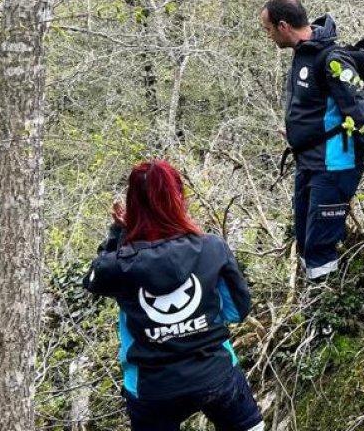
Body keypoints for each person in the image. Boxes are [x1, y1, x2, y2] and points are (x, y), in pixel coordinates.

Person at [83, 160, 262, 431]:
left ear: (133, 204)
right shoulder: (212, 248)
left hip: (152, 387)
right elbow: (237, 310)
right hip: (215, 372)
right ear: (179, 198)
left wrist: (119, 233)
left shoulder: (117, 265)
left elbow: (93, 280)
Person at [260, 0, 364, 282]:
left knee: (319, 246)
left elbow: (361, 111)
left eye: (267, 30)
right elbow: (315, 108)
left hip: (334, 166)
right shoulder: (302, 53)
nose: (267, 36)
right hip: (309, 161)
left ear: (283, 26)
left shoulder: (332, 60)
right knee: (306, 241)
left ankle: (326, 315)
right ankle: (314, 303)